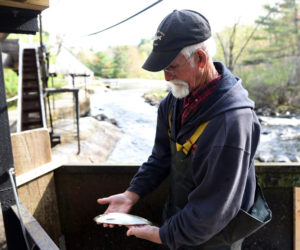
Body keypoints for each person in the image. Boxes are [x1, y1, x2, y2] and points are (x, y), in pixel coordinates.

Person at [97, 9, 271, 250]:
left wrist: (163, 235)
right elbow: (160, 157)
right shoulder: (172, 103)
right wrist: (132, 194)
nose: (166, 77)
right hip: (179, 224)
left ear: (200, 58)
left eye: (173, 67)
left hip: (216, 237)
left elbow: (215, 206)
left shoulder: (232, 122)